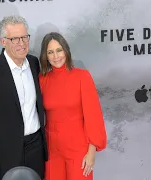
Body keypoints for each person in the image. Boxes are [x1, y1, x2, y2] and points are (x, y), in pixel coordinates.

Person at [0, 15, 48, 180]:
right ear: (3, 41)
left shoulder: (34, 63)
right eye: (14, 39)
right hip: (4, 152)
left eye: (24, 37)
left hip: (36, 148)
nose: (21, 43)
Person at [38, 32, 107, 180]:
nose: (56, 56)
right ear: (45, 56)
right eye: (50, 52)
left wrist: (91, 152)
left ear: (66, 50)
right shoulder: (42, 80)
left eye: (59, 50)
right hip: (52, 149)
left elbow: (93, 116)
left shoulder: (82, 76)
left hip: (78, 148)